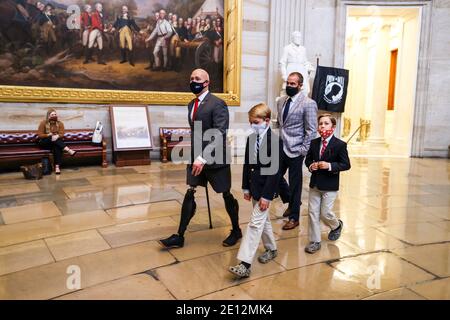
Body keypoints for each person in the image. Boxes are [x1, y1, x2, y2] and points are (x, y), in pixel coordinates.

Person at [159, 69, 241, 249]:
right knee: (190, 191)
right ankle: (179, 235)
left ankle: (236, 230)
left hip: (215, 159)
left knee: (225, 193)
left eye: (197, 78)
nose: (193, 81)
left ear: (207, 82)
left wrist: (204, 157)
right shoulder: (191, 104)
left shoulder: (218, 104)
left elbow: (219, 133)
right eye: (191, 78)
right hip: (196, 157)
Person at [229, 103, 282, 278]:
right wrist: (245, 186)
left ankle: (244, 264)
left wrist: (267, 196)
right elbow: (247, 164)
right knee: (263, 221)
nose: (252, 125)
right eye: (250, 122)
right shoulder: (252, 138)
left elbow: (274, 173)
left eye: (256, 121)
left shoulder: (275, 142)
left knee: (254, 224)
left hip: (266, 190)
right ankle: (272, 249)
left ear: (267, 121)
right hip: (254, 187)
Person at [275, 72, 318, 230]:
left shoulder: (308, 103)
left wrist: (303, 150)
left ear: (300, 86)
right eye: (288, 82)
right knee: (275, 176)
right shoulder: (281, 101)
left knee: (295, 184)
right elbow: (281, 124)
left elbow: (311, 130)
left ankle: (294, 217)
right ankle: (291, 201)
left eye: (293, 84)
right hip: (281, 147)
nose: (289, 86)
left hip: (296, 149)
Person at [304, 114, 350, 253]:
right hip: (315, 184)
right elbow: (308, 160)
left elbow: (346, 164)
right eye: (320, 124)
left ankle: (336, 225)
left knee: (325, 212)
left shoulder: (340, 145)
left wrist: (329, 166)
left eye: (326, 123)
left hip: (330, 185)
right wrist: (311, 165)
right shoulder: (314, 143)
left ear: (333, 127)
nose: (322, 126)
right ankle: (315, 241)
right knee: (312, 212)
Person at [37, 109, 77, 174]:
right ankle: (69, 150)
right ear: (48, 116)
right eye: (52, 115)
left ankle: (57, 167)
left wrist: (57, 136)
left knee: (57, 147)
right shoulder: (43, 123)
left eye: (55, 114)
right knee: (52, 138)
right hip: (44, 143)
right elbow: (40, 135)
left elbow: (62, 134)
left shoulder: (60, 123)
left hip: (55, 143)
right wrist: (48, 135)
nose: (54, 116)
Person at [279, 31, 314, 96]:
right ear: (293, 38)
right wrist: (284, 75)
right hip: (291, 70)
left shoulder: (303, 49)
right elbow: (282, 63)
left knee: (303, 91)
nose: (299, 39)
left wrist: (308, 69)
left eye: (300, 37)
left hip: (301, 71)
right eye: (297, 37)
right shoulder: (287, 48)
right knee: (289, 91)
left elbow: (305, 61)